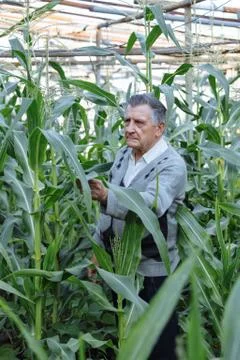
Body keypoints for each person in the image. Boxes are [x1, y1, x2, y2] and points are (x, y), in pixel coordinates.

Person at [87, 93, 187, 359]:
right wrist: (98, 247)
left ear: (159, 128)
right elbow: (108, 214)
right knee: (125, 339)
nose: (130, 128)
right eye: (127, 120)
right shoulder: (124, 155)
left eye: (139, 122)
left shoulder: (172, 165)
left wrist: (108, 196)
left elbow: (152, 205)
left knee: (160, 348)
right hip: (120, 268)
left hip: (152, 272)